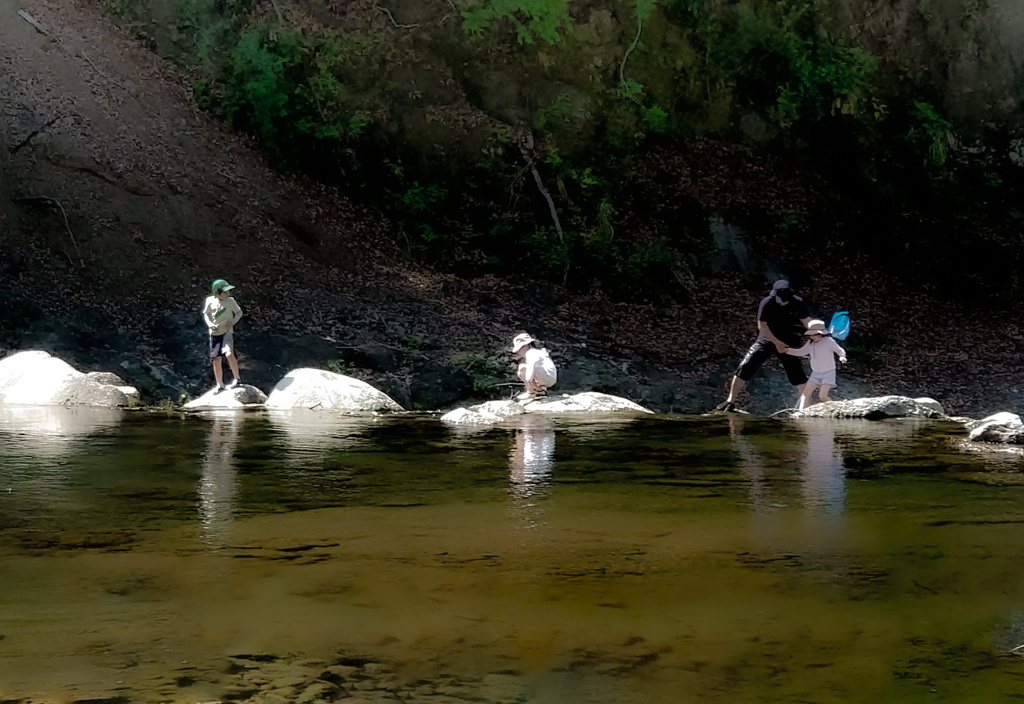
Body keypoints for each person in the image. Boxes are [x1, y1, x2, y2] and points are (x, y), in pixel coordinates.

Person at [717, 279, 812, 411]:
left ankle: (806, 406)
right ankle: (730, 401)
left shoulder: (798, 303)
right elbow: (762, 326)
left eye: (784, 300)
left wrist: (818, 334)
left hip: (788, 342)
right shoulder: (767, 302)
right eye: (780, 300)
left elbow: (807, 322)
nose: (782, 303)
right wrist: (777, 343)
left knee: (797, 373)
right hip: (766, 339)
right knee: (746, 366)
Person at [785, 319, 847, 409]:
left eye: (815, 334)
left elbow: (839, 350)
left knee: (822, 396)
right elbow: (801, 352)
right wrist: (787, 350)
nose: (812, 337)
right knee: (805, 394)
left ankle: (836, 408)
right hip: (815, 373)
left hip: (828, 372)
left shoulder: (828, 341)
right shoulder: (810, 343)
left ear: (821, 333)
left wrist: (842, 356)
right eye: (811, 335)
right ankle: (801, 412)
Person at [202, 278, 243, 393]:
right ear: (217, 293)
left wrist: (233, 322)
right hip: (215, 333)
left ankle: (237, 379)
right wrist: (210, 325)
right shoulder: (210, 301)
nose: (228, 293)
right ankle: (220, 384)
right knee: (216, 358)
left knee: (229, 353)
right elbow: (206, 314)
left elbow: (239, 312)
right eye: (225, 292)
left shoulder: (231, 301)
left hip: (227, 331)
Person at [511, 332, 557, 401]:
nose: (519, 351)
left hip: (547, 376)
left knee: (522, 368)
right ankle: (540, 391)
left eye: (521, 347)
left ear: (527, 345)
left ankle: (531, 392)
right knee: (521, 371)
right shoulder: (536, 352)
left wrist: (528, 382)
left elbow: (530, 368)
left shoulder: (531, 353)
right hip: (550, 377)